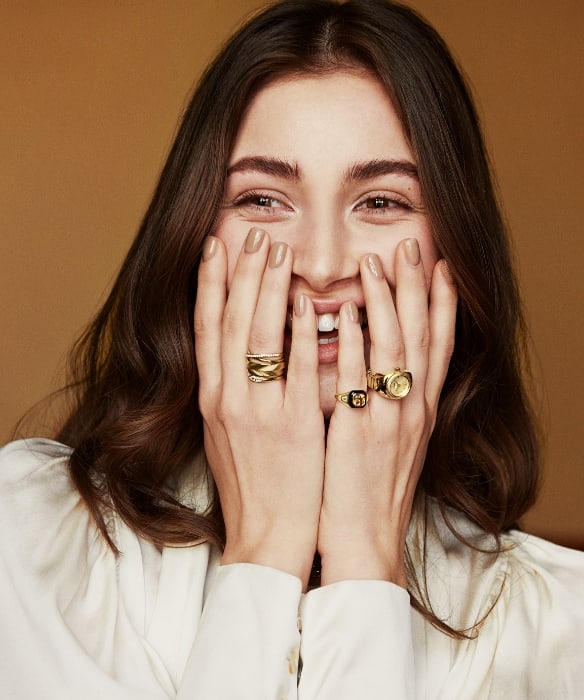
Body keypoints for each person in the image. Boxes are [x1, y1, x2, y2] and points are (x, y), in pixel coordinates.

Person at [1, 0, 582, 697]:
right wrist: (265, 549)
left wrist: (367, 564)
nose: (321, 261)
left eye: (382, 202)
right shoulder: (29, 541)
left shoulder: (559, 629)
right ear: (194, 236)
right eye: (264, 200)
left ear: (452, 249)